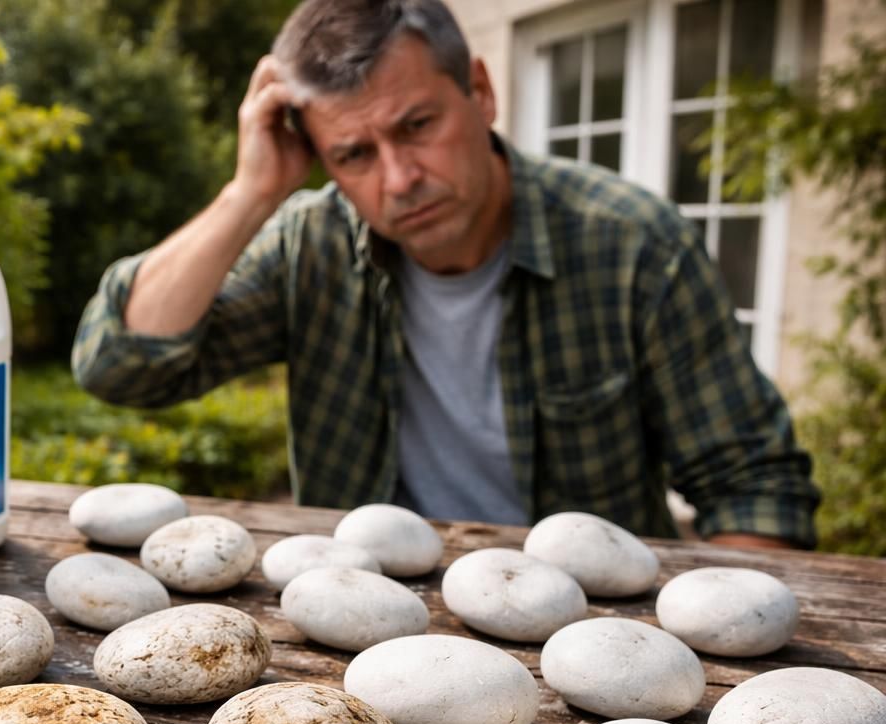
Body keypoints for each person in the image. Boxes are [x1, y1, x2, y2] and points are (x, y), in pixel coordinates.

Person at [72, 0, 819, 548]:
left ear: (481, 93)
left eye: (416, 126)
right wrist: (252, 193)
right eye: (354, 155)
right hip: (365, 621)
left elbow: (756, 490)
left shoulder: (632, 245)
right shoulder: (313, 243)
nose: (398, 179)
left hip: (596, 634)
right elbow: (121, 368)